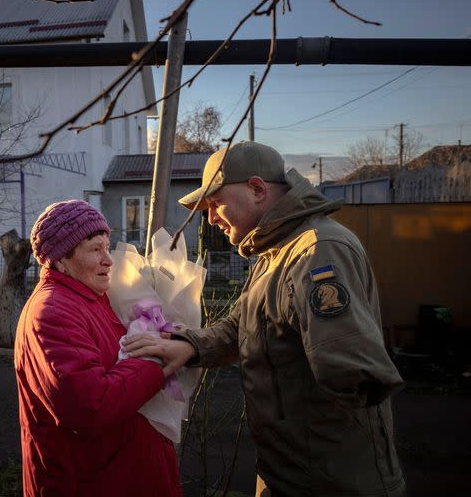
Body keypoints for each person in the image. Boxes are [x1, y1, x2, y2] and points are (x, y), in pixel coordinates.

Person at [125, 142, 407, 497]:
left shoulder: (318, 250)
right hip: (286, 474)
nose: (211, 217)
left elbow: (356, 373)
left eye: (215, 203)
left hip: (333, 482)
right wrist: (190, 346)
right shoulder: (275, 253)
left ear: (257, 189)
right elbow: (242, 324)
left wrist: (343, 364)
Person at [14, 199, 182, 497]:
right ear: (60, 259)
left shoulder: (94, 298)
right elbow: (91, 404)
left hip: (121, 474)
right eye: (95, 249)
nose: (109, 259)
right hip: (91, 483)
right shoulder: (52, 312)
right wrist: (158, 357)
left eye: (107, 247)